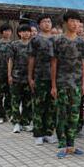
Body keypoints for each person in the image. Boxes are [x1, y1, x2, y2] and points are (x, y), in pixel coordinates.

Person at [51, 10, 84, 158]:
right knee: (62, 114)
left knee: (74, 115)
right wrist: (53, 85)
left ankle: (71, 145)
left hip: (76, 85)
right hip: (61, 83)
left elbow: (83, 63)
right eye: (72, 21)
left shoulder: (82, 42)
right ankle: (62, 144)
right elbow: (54, 64)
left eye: (77, 21)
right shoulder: (58, 41)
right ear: (66, 23)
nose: (75, 24)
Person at [28, 15, 57, 145]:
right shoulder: (35, 40)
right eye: (44, 21)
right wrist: (30, 77)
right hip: (39, 77)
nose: (47, 24)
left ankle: (48, 133)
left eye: (49, 21)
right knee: (39, 106)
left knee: (51, 107)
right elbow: (31, 59)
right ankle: (38, 134)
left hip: (54, 79)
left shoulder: (56, 40)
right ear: (39, 24)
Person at [8, 24, 33, 134]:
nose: (26, 33)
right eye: (23, 31)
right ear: (19, 33)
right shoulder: (14, 45)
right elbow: (10, 60)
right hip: (16, 77)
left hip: (28, 78)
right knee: (15, 101)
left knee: (27, 102)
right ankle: (16, 123)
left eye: (28, 31)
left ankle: (25, 123)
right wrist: (9, 75)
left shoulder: (33, 45)